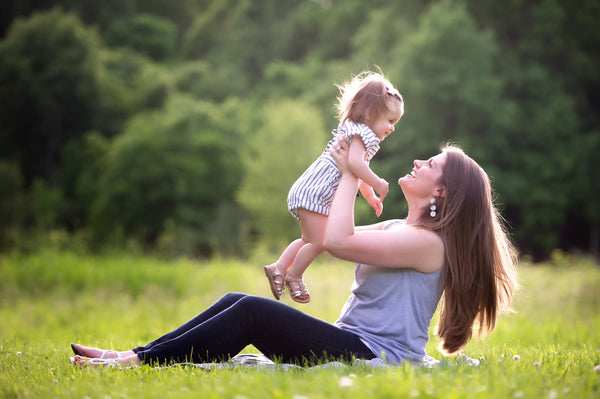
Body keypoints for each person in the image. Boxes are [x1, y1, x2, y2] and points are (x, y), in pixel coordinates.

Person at [70, 139, 517, 369]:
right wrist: (341, 175)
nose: (420, 162)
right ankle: (130, 355)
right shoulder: (400, 228)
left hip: (372, 355)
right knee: (233, 302)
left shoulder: (427, 244)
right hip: (351, 343)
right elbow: (321, 234)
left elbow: (339, 242)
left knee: (251, 313)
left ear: (441, 191)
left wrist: (349, 175)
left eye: (432, 164)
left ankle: (132, 364)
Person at [264, 71, 405, 303]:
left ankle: (277, 268)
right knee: (320, 242)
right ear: (369, 114)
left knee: (308, 240)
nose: (392, 128)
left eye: (395, 123)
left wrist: (369, 197)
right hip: (316, 192)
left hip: (310, 189)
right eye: (390, 121)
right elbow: (355, 164)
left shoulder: (354, 130)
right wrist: (377, 182)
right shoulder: (363, 134)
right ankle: (294, 275)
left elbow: (356, 171)